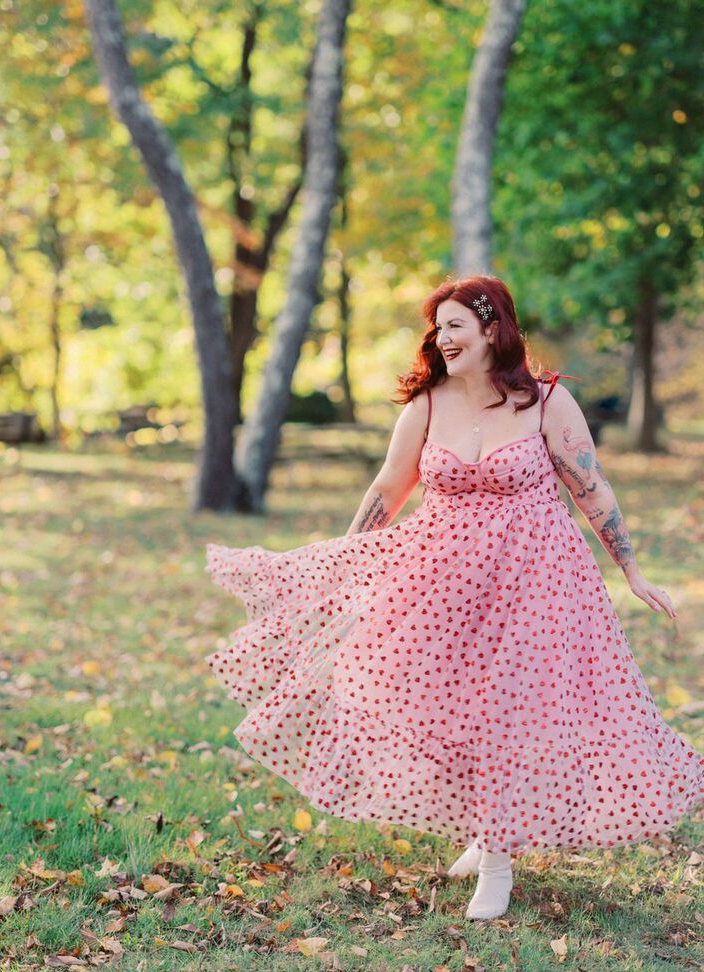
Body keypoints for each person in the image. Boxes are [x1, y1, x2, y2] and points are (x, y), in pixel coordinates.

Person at [204, 275, 704, 921]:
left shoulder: (545, 401)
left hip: (535, 580)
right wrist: (350, 567)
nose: (442, 339)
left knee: (506, 713)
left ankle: (497, 859)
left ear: (492, 328)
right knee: (447, 706)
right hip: (440, 583)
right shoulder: (427, 403)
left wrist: (631, 571)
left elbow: (591, 489)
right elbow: (387, 489)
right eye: (436, 328)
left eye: (455, 327)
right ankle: (483, 830)